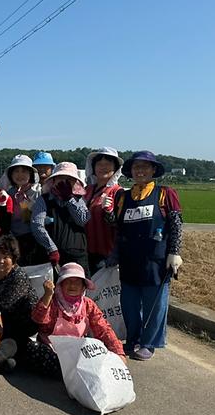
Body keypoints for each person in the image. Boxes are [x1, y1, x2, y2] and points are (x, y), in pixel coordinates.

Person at [111, 151, 183, 361]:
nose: (140, 171)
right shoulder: (123, 196)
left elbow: (176, 224)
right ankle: (132, 338)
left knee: (155, 304)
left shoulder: (165, 193)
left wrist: (174, 252)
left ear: (153, 170)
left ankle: (149, 342)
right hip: (129, 259)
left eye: (145, 166)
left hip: (156, 260)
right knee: (129, 303)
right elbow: (118, 227)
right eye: (136, 167)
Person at [28, 263, 126, 377]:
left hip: (77, 352)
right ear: (60, 284)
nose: (72, 286)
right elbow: (38, 318)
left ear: (83, 287)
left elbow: (104, 329)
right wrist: (47, 295)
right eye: (68, 281)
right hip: (51, 350)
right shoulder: (52, 301)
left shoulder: (88, 304)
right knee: (33, 349)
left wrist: (118, 352)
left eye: (77, 282)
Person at [0, 235, 38, 359]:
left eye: (6, 257)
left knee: (3, 347)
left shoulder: (18, 277)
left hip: (17, 328)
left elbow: (3, 307)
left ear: (14, 259)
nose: (0, 260)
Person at [31, 162, 90, 273]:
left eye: (69, 179)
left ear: (75, 182)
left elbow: (82, 220)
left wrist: (69, 199)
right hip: (51, 255)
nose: (65, 181)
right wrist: (52, 249)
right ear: (54, 180)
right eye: (61, 178)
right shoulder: (44, 199)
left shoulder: (79, 200)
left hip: (77, 255)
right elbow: (37, 225)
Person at [83, 147, 123, 270]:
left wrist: (109, 212)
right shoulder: (87, 190)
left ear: (115, 168)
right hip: (85, 251)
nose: (103, 167)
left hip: (107, 255)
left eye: (108, 164)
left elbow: (121, 225)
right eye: (99, 164)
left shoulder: (118, 192)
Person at [2, 154, 42, 266]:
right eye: (16, 171)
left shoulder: (38, 192)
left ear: (31, 174)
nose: (20, 175)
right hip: (14, 240)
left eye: (24, 171)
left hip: (34, 239)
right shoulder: (8, 194)